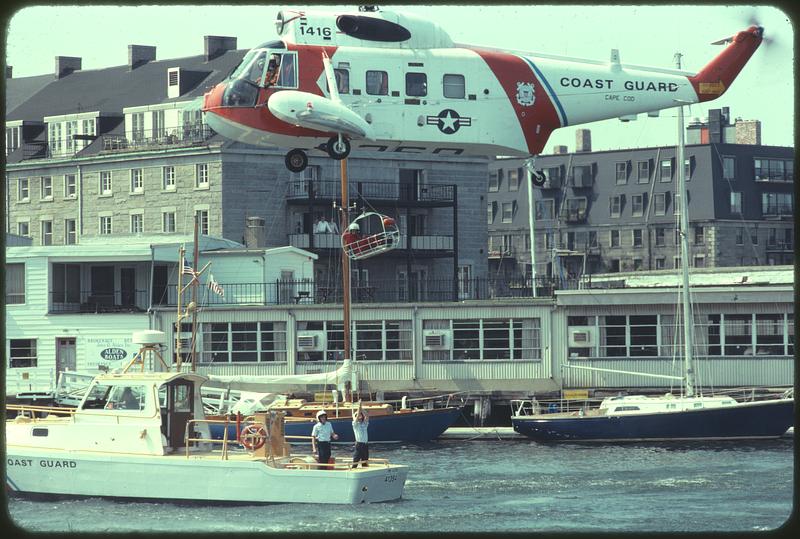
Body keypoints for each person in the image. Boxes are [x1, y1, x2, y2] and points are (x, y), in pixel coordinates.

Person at [351, 401, 369, 468]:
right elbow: (357, 416)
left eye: (361, 415)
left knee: (365, 460)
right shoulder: (355, 424)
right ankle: (353, 471)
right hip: (359, 444)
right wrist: (359, 407)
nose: (359, 416)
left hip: (365, 444)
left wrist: (361, 408)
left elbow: (367, 415)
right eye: (358, 415)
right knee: (356, 460)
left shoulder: (364, 424)